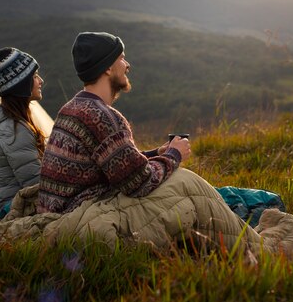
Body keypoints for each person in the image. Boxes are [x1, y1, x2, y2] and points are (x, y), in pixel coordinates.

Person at [38, 32, 191, 214]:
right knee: (181, 184)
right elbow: (140, 183)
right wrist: (174, 154)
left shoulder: (71, 108)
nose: (127, 65)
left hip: (56, 211)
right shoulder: (102, 117)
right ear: (108, 68)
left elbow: (116, 165)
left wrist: (156, 153)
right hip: (75, 217)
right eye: (122, 58)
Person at [0, 47, 46, 216]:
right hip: (8, 209)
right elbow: (35, 185)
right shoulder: (14, 130)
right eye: (35, 76)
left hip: (6, 201)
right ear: (21, 85)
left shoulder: (15, 122)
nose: (41, 80)